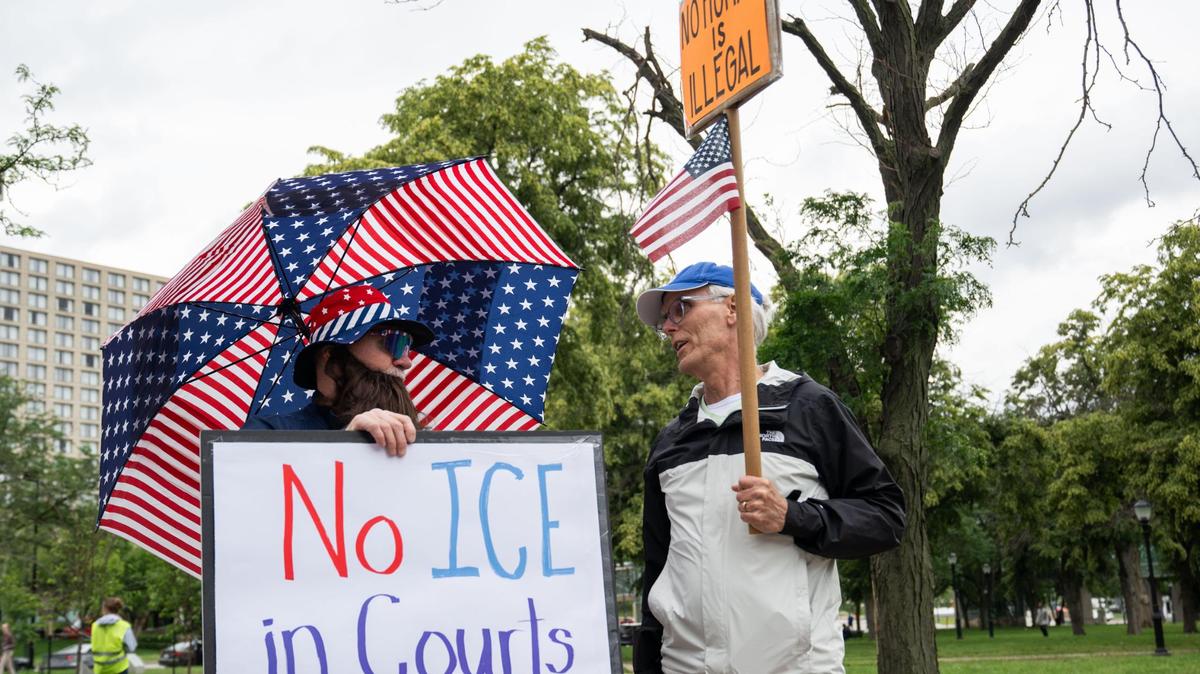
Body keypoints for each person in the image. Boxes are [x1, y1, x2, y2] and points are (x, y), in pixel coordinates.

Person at [631, 262, 906, 674]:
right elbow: (658, 569)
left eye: (680, 309)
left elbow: (886, 516)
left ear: (733, 308)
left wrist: (794, 517)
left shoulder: (809, 407)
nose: (668, 328)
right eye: (664, 320)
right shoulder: (672, 441)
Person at [242, 285, 435, 456]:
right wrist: (344, 449)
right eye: (394, 341)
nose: (405, 361)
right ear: (332, 354)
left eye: (407, 345)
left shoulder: (427, 446)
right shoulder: (268, 436)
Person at [91, 597, 137, 674]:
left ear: (105, 609)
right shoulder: (124, 626)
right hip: (119, 668)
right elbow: (131, 648)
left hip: (100, 669)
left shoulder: (95, 625)